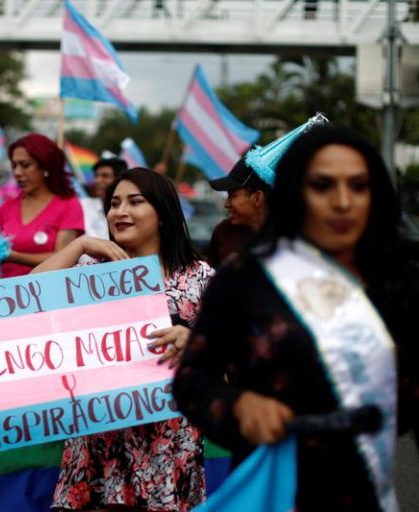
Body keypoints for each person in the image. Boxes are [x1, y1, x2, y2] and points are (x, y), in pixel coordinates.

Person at [173, 124, 419, 511]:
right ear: (293, 193)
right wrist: (239, 406)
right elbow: (191, 381)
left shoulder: (401, 279)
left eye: (358, 185)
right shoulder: (246, 278)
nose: (342, 201)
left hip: (369, 491)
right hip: (272, 488)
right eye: (322, 185)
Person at [34, 168, 213, 511]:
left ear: (163, 213)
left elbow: (232, 351)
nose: (120, 211)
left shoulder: (200, 277)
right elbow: (24, 297)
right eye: (114, 203)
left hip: (168, 441)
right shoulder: (90, 270)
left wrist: (194, 340)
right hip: (98, 437)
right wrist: (80, 244)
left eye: (135, 202)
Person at [0, 133, 84, 278]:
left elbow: (65, 258)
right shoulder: (6, 207)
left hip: (49, 293)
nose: (17, 172)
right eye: (14, 165)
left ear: (46, 167)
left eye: (25, 165)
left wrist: (15, 256)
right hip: (4, 295)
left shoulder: (69, 205)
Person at [207, 157, 270, 268]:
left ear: (257, 198)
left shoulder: (287, 240)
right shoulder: (223, 231)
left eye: (232, 196)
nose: (226, 204)